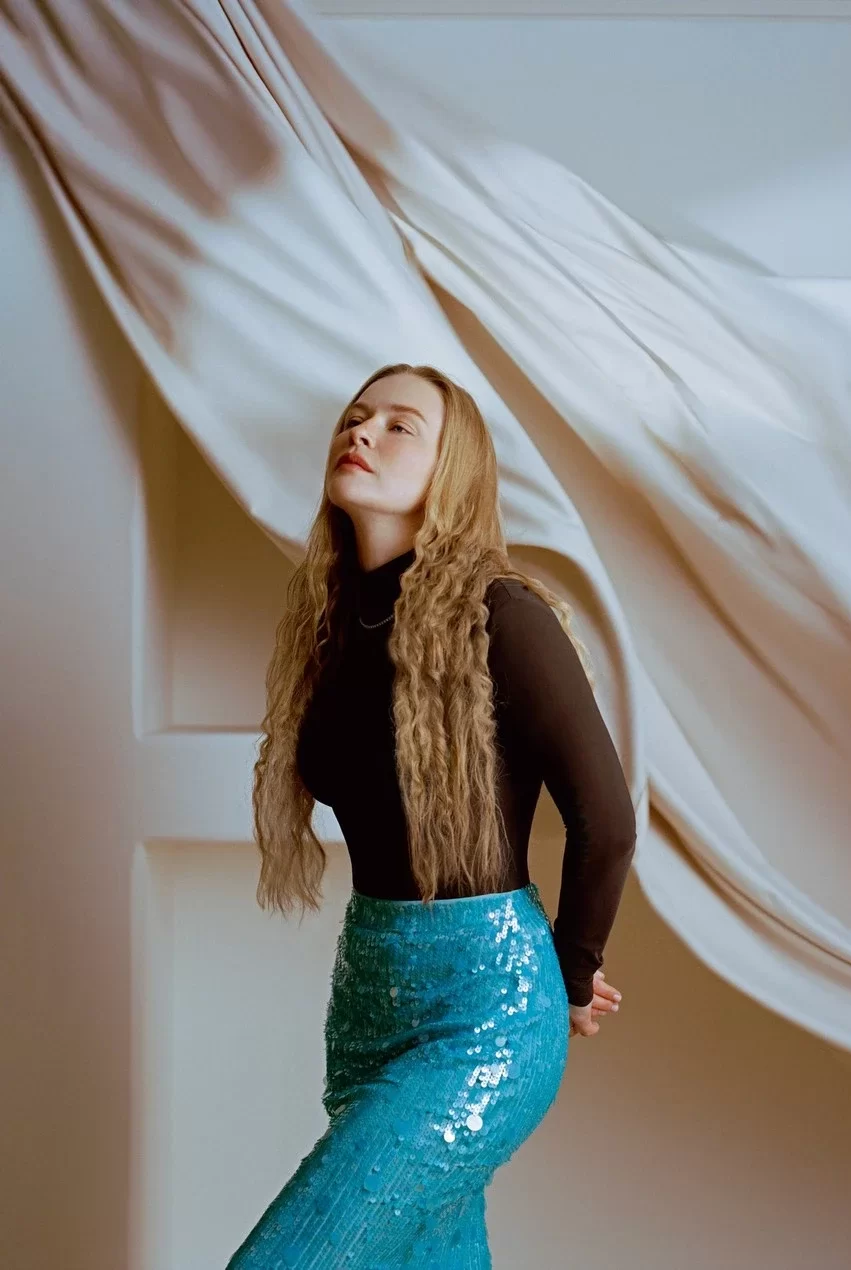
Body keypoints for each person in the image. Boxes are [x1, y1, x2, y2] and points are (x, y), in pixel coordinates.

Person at [226, 363, 637, 1268]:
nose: (362, 432)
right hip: (369, 1000)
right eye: (355, 416)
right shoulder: (331, 628)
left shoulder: (504, 616)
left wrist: (570, 973)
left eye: (398, 426)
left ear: (452, 470)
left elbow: (605, 819)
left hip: (489, 1014)